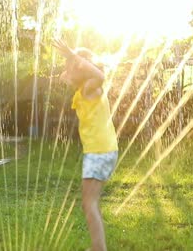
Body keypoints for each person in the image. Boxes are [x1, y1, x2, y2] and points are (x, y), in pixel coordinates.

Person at [52, 38, 119, 251]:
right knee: (90, 202)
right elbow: (66, 78)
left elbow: (99, 74)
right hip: (100, 151)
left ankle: (99, 248)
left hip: (99, 152)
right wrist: (69, 64)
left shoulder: (92, 87)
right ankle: (97, 247)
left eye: (70, 68)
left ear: (81, 69)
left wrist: (74, 56)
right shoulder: (82, 90)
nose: (66, 71)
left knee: (89, 203)